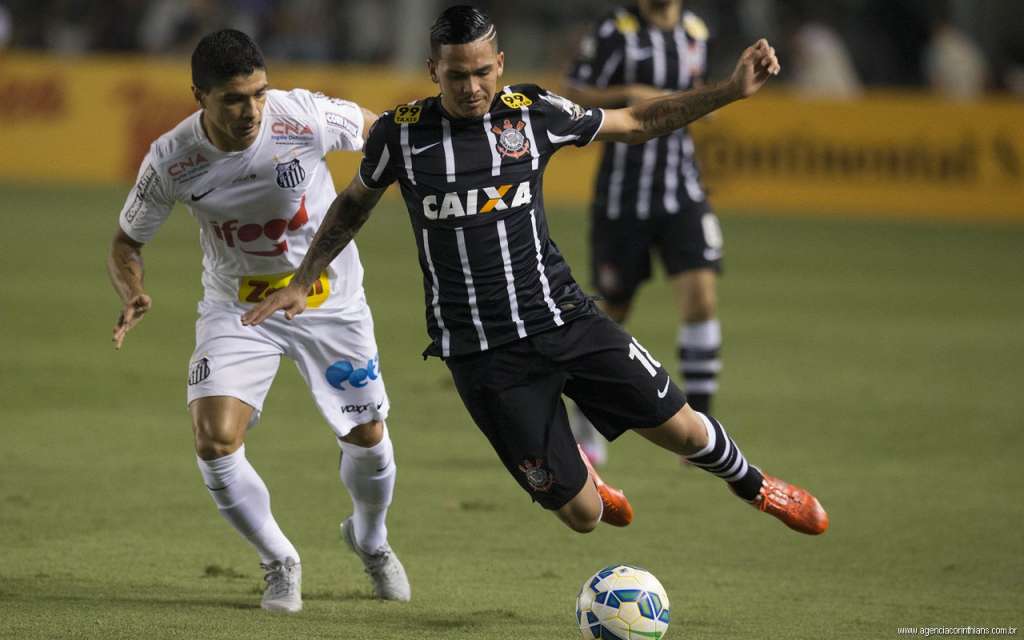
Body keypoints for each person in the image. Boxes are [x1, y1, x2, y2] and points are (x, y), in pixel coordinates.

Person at [243, 6, 828, 539]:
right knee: (584, 518)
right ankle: (584, 482)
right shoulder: (401, 134)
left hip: (564, 319)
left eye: (481, 73)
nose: (471, 88)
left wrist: (728, 91)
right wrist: (301, 280)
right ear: (433, 71)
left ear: (499, 64)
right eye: (456, 76)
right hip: (482, 356)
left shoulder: (534, 115)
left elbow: (636, 123)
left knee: (684, 429)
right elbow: (351, 205)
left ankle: (757, 487)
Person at [107, 29, 411, 613]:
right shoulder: (172, 159)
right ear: (200, 96)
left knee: (368, 439)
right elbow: (126, 243)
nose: (251, 110)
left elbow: (382, 131)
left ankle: (371, 541)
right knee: (215, 439)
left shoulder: (301, 115)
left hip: (328, 298)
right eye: (233, 99)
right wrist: (134, 289)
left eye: (258, 94)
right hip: (239, 307)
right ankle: (279, 560)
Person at [562, 1, 726, 466]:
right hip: (623, 195)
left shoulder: (696, 32)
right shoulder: (616, 30)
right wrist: (629, 92)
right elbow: (571, 93)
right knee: (612, 311)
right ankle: (588, 417)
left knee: (702, 300)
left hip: (683, 190)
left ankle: (703, 425)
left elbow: (702, 94)